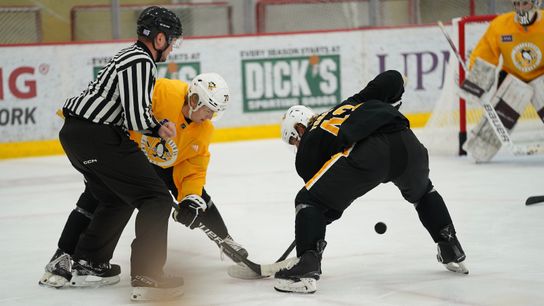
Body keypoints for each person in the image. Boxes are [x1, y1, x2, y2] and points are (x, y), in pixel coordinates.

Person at [39, 74, 249, 296]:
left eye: (215, 111)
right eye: (209, 109)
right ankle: (68, 255)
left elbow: (194, 170)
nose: (210, 116)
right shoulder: (164, 91)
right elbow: (128, 104)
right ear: (194, 100)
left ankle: (225, 240)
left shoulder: (204, 130)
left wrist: (190, 200)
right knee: (100, 194)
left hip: (165, 166)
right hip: (131, 155)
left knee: (197, 200)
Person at [274, 70, 468, 294]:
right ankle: (450, 245)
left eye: (293, 139)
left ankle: (305, 268)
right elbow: (392, 78)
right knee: (424, 192)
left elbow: (325, 200)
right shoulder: (351, 104)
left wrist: (316, 219)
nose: (296, 145)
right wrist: (392, 98)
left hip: (371, 154)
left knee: (307, 200)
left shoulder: (307, 147)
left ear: (299, 129)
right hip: (408, 143)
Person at [46, 6, 184, 301]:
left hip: (76, 135)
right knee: (156, 198)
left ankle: (89, 262)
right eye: (171, 41)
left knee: (114, 196)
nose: (172, 48)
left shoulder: (126, 55)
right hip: (99, 136)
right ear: (159, 39)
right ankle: (147, 275)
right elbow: (136, 118)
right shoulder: (140, 61)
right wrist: (159, 128)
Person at [461, 0, 544, 161]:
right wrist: (476, 83)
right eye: (517, 4)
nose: (520, 8)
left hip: (542, 77)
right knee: (481, 149)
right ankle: (480, 147)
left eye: (525, 4)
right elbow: (484, 55)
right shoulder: (500, 25)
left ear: (536, 4)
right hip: (512, 81)